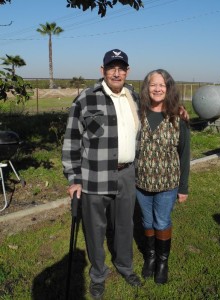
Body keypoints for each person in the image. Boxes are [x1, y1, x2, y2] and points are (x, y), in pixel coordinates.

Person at [62, 49, 142, 299]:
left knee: (124, 225)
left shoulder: (134, 97)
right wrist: (74, 178)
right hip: (94, 177)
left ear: (127, 71)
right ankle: (98, 274)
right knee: (95, 229)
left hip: (127, 174)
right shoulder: (86, 99)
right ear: (103, 71)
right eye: (111, 67)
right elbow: (72, 141)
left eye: (121, 67)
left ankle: (125, 267)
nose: (116, 72)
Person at [136, 69, 190, 285]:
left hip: (168, 183)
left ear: (168, 89)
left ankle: (162, 262)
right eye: (153, 85)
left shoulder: (178, 117)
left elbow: (184, 155)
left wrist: (183, 187)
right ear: (146, 88)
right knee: (147, 221)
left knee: (162, 221)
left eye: (162, 85)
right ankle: (149, 257)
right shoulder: (137, 114)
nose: (157, 89)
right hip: (141, 182)